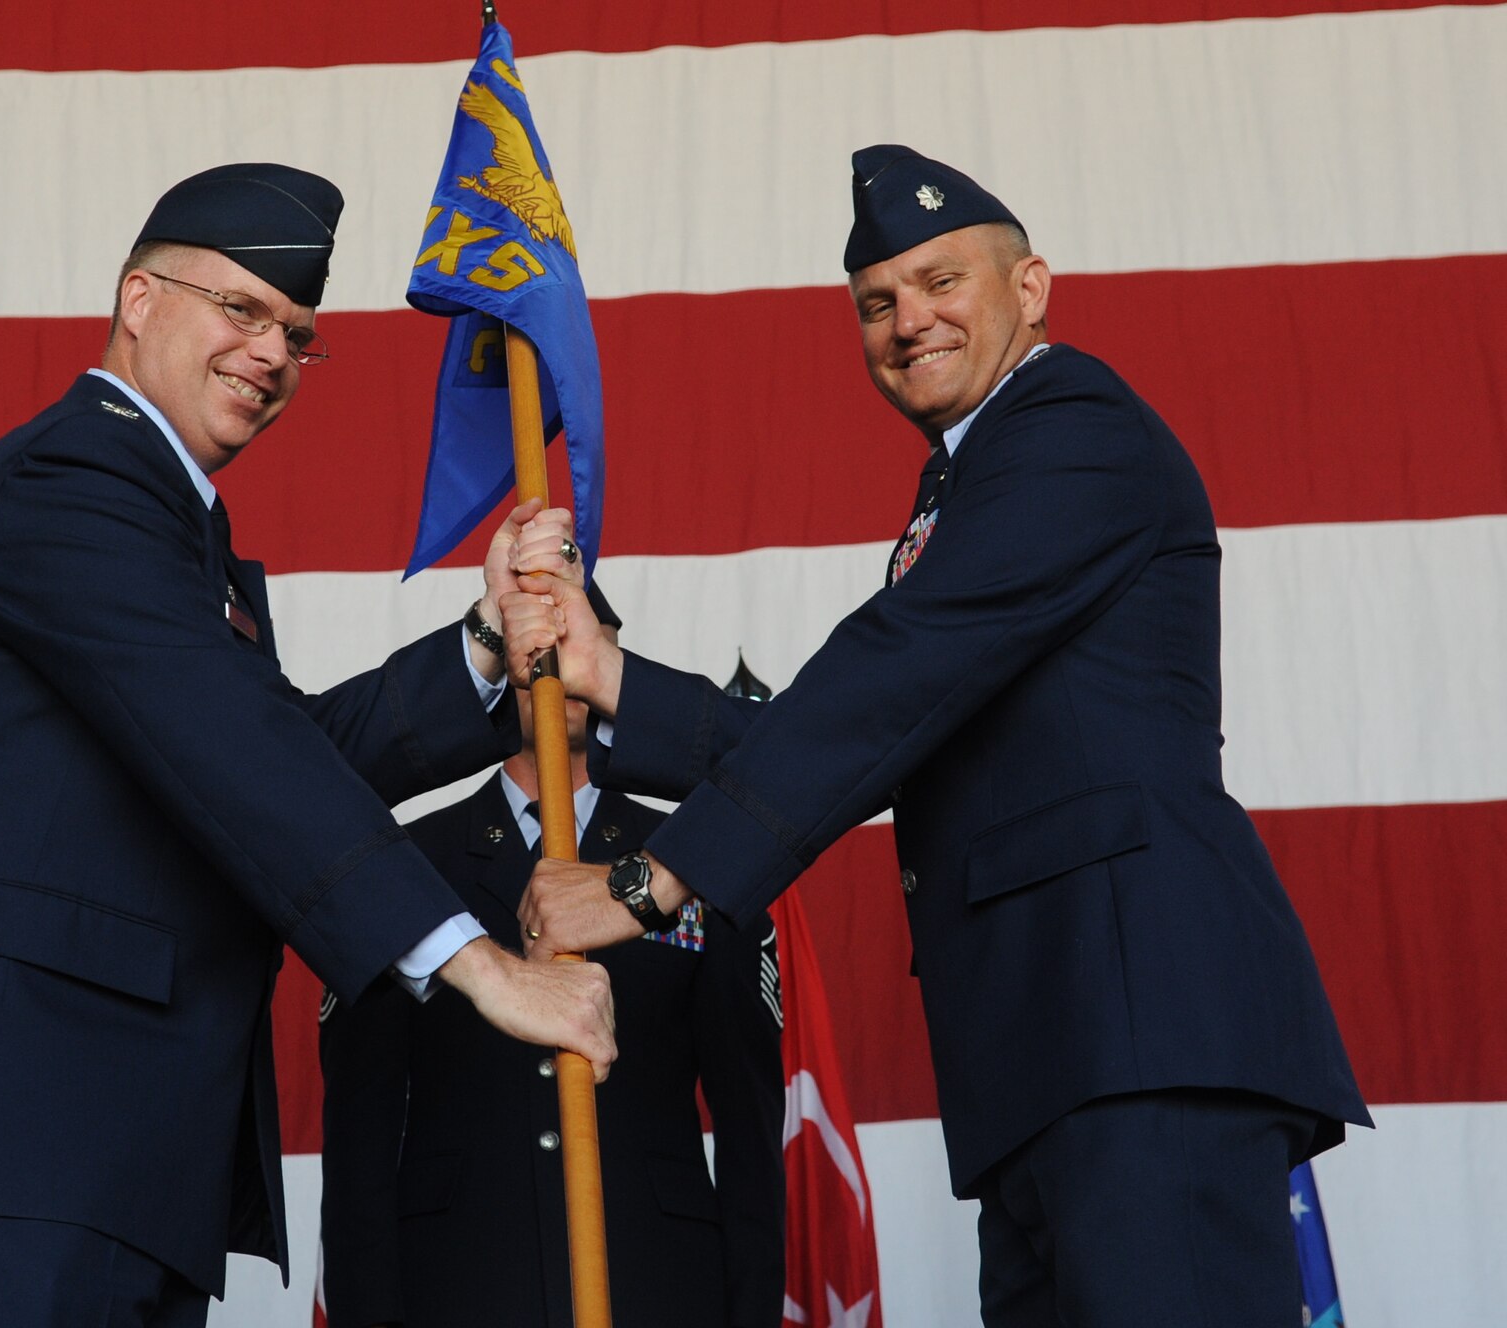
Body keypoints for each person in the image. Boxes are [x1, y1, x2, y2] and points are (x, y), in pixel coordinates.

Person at [501, 145, 1371, 1326]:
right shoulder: (963, 486)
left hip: (1139, 1048)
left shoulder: (1074, 428)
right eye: (875, 302)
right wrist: (615, 682)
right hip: (1052, 1065)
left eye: (940, 280)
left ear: (1032, 286)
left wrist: (650, 880)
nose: (907, 320)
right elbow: (893, 722)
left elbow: (892, 679)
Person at [0, 163, 615, 1328]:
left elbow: (269, 746)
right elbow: (237, 752)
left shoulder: (166, 521)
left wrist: (483, 643)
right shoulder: (69, 481)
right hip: (8, 1141)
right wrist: (479, 965)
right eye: (240, 309)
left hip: (110, 1152)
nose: (271, 353)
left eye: (296, 333)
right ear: (137, 298)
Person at [317, 586, 785, 1328]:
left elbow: (753, 1135)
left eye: (579, 642)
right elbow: (358, 1144)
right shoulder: (403, 867)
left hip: (657, 1285)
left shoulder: (695, 863)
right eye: (537, 645)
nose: (555, 669)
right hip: (461, 1284)